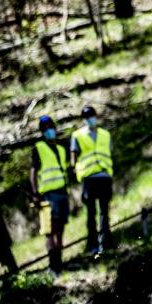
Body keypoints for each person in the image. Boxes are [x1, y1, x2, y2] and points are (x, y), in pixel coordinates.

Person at [30, 114, 71, 275]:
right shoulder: (39, 148)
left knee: (60, 230)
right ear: (42, 131)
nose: (49, 131)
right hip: (47, 195)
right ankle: (53, 265)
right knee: (49, 231)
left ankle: (59, 264)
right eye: (45, 129)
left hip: (62, 193)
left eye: (50, 127)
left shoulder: (61, 149)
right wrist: (35, 193)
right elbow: (33, 172)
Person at [70, 105, 113, 256]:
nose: (90, 119)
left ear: (96, 115)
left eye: (91, 115)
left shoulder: (105, 134)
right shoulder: (77, 135)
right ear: (84, 119)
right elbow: (73, 158)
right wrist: (77, 170)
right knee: (91, 213)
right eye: (87, 117)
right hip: (89, 178)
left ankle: (106, 242)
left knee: (104, 212)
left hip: (104, 176)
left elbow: (108, 151)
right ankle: (93, 244)